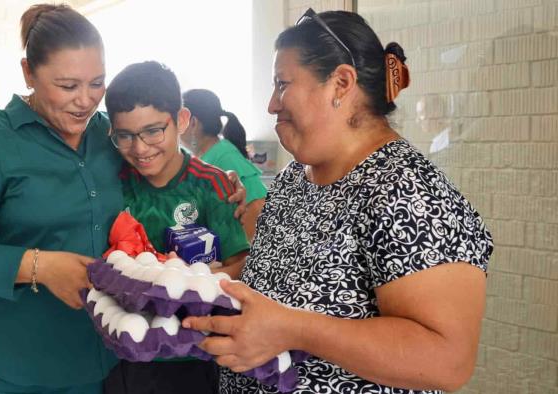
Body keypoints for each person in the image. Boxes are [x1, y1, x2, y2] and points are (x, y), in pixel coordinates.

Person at [0, 5, 245, 393]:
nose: (86, 101)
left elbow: (161, 159)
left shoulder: (108, 136)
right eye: (68, 86)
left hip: (94, 357)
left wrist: (213, 177)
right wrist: (37, 265)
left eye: (97, 83)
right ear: (28, 73)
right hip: (0, 357)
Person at [183, 9, 493, 394]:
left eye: (282, 84)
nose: (271, 105)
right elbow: (283, 271)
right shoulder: (297, 176)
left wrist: (293, 329)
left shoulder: (407, 190)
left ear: (341, 83)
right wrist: (197, 284)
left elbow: (448, 360)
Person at [102, 61, 250, 394]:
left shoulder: (212, 184)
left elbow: (241, 260)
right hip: (123, 351)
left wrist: (204, 278)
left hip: (191, 353)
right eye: (125, 135)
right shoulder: (112, 183)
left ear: (182, 120)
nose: (140, 148)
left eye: (154, 130)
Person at [181, 89, 267, 241]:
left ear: (193, 122)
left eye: (178, 121)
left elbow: (257, 209)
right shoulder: (205, 157)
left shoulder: (226, 158)